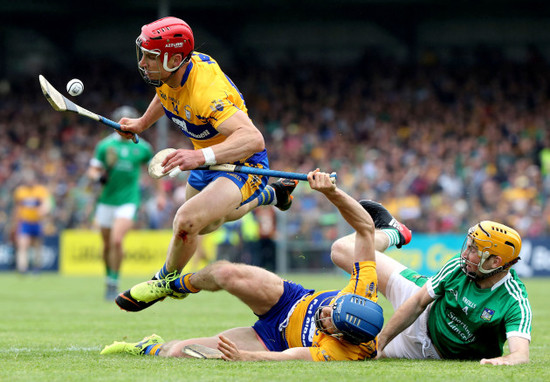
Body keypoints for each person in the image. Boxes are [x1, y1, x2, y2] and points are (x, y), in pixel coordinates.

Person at [101, 170, 385, 361]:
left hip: (272, 340)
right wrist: (332, 192)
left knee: (180, 352)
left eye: (328, 319)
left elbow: (286, 358)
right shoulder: (364, 290)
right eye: (332, 304)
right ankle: (171, 284)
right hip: (290, 299)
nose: (323, 311)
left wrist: (244, 357)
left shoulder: (338, 353)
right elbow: (365, 228)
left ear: (340, 336)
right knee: (226, 273)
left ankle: (146, 347)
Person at [115, 16, 297, 312]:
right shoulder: (172, 73)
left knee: (186, 221)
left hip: (240, 163)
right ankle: (273, 195)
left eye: (151, 57)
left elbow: (253, 138)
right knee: (206, 225)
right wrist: (141, 124)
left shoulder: (207, 92)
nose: (143, 62)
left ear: (174, 58)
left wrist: (198, 157)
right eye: (144, 54)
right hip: (206, 160)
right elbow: (167, 95)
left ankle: (163, 282)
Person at [330, 205, 532, 365]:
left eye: (473, 250)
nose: (464, 254)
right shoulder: (459, 266)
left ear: (495, 262)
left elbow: (520, 355)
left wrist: (505, 361)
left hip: (424, 353)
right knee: (342, 250)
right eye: (468, 246)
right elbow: (418, 302)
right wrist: (380, 343)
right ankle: (392, 233)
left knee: (342, 350)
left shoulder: (514, 301)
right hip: (419, 304)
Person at [88, 106, 167, 300]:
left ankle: (114, 281)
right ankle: (109, 280)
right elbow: (93, 172)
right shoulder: (105, 146)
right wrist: (100, 177)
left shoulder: (142, 147)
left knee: (116, 239)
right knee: (107, 245)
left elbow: (155, 172)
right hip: (106, 200)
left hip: (129, 201)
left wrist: (161, 196)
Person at [12, 168, 52, 274]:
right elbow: (17, 208)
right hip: (25, 222)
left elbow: (47, 204)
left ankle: (36, 268)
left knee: (37, 246)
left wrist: (44, 210)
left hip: (37, 222)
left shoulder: (40, 190)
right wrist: (15, 222)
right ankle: (22, 269)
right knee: (23, 245)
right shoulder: (20, 191)